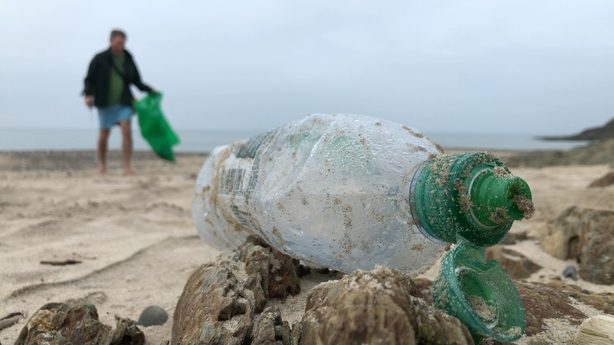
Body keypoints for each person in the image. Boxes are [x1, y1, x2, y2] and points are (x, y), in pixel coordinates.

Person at [83, 29, 156, 174]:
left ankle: (127, 167)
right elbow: (89, 79)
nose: (120, 47)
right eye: (118, 43)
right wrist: (88, 95)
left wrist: (149, 89)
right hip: (104, 102)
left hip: (124, 102)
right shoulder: (99, 58)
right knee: (104, 134)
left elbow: (136, 80)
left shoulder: (128, 58)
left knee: (126, 130)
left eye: (123, 44)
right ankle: (102, 165)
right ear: (110, 41)